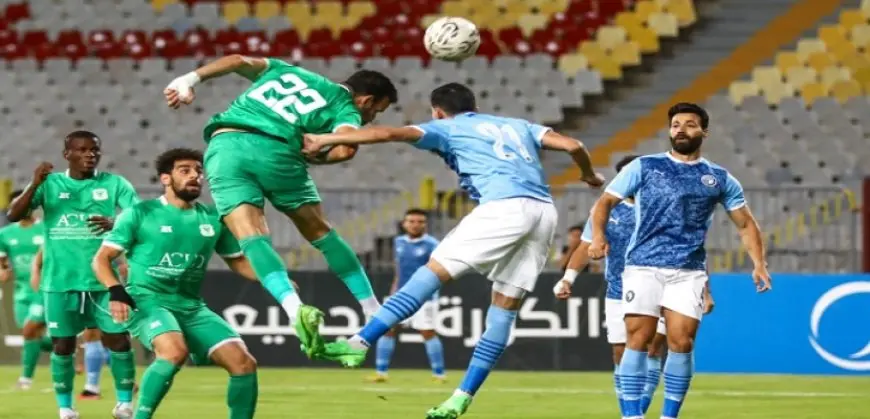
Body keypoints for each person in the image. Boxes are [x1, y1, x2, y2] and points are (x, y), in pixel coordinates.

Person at [302, 82, 605, 418]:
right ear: (474, 105)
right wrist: (589, 175)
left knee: (430, 275)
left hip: (503, 207)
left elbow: (386, 133)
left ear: (437, 112)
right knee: (504, 310)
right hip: (543, 213)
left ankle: (358, 342)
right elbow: (574, 145)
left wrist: (324, 140)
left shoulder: (447, 127)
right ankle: (461, 397)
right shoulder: (518, 125)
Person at [163, 55, 398, 357]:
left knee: (251, 236)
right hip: (279, 154)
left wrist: (190, 79)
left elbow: (237, 60)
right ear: (366, 100)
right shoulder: (346, 108)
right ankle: (372, 308)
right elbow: (346, 147)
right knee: (320, 232)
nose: (371, 118)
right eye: (376, 111)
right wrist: (319, 151)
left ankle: (293, 308)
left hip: (225, 148)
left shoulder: (286, 70)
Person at [587, 103, 771, 419]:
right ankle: (632, 416)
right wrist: (599, 237)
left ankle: (669, 416)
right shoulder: (644, 166)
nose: (681, 130)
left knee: (682, 343)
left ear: (704, 131)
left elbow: (745, 224)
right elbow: (604, 203)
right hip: (643, 265)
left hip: (688, 270)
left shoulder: (718, 178)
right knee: (638, 339)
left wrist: (759, 263)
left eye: (689, 124)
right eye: (675, 125)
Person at [93, 148, 264, 419]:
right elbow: (102, 259)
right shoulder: (140, 213)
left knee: (243, 363)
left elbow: (238, 261)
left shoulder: (213, 218)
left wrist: (274, 280)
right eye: (185, 170)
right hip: (146, 299)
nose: (195, 175)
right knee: (174, 352)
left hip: (191, 307)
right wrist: (116, 291)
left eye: (198, 171)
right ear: (165, 178)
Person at [553, 155, 715, 415]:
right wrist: (568, 278)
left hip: (661, 286)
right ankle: (629, 412)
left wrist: (705, 291)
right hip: (618, 290)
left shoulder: (665, 206)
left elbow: (692, 250)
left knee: (651, 347)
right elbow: (585, 246)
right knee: (621, 353)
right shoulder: (604, 210)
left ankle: (640, 411)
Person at [6, 131, 140, 419]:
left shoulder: (115, 184)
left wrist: (115, 222)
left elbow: (140, 216)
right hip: (60, 282)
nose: (90, 154)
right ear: (67, 154)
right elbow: (13, 215)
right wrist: (35, 184)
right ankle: (66, 408)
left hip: (103, 282)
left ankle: (124, 404)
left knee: (119, 340)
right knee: (63, 346)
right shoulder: (49, 184)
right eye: (82, 150)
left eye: (94, 150)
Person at [369, 208, 445, 384]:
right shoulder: (399, 242)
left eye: (420, 222)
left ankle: (439, 374)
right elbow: (399, 270)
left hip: (425, 297)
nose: (415, 225)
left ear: (426, 224)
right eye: (411, 221)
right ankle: (381, 373)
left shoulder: (433, 244)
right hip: (401, 294)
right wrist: (393, 291)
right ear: (404, 224)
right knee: (387, 329)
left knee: (427, 332)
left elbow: (439, 271)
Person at [32, 248, 116, 400]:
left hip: (93, 283)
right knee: (91, 337)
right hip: (66, 285)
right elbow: (43, 251)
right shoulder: (56, 238)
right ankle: (98, 386)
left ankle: (92, 387)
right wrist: (36, 270)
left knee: (96, 335)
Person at [0, 191, 50, 390]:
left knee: (30, 330)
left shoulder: (46, 228)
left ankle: (25, 379)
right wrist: (3, 270)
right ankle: (65, 344)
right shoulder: (5, 234)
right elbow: (2, 261)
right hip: (21, 293)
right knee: (31, 335)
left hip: (44, 289)